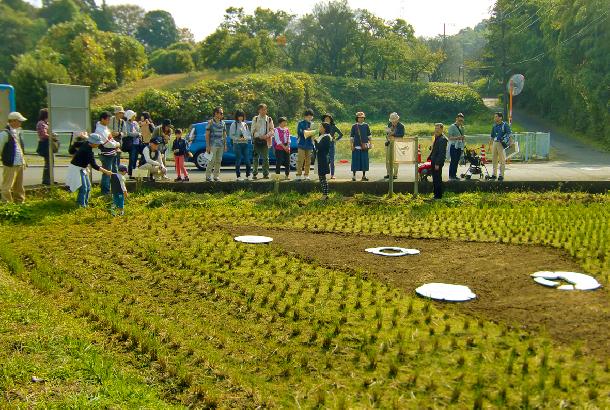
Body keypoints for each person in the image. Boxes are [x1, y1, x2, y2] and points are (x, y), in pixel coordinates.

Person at [66, 133, 112, 208]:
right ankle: (81, 205)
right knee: (83, 188)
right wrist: (107, 172)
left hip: (82, 168)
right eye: (97, 143)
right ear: (93, 143)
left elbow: (75, 144)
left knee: (88, 186)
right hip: (76, 169)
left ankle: (85, 203)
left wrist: (74, 153)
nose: (98, 145)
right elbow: (94, 165)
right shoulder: (88, 151)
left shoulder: (86, 143)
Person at [1, 112, 27, 203]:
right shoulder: (5, 133)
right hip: (10, 163)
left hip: (19, 163)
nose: (20, 123)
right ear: (13, 121)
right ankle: (6, 204)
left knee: (19, 186)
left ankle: (20, 202)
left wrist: (23, 161)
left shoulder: (18, 132)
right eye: (19, 121)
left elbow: (19, 148)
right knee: (7, 186)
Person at [96, 111, 121, 195]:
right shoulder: (99, 130)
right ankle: (105, 191)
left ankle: (114, 188)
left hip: (112, 152)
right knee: (107, 172)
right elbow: (107, 143)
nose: (109, 121)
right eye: (107, 120)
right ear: (102, 119)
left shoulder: (105, 127)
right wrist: (117, 144)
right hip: (106, 154)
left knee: (114, 170)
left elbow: (111, 139)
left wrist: (115, 144)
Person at [251, 104, 273, 180]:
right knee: (255, 157)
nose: (264, 111)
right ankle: (254, 173)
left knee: (266, 158)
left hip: (265, 141)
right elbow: (252, 130)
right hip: (257, 141)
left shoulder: (269, 119)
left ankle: (266, 174)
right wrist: (258, 136)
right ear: (259, 110)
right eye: (262, 109)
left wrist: (266, 136)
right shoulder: (255, 118)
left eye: (265, 109)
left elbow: (272, 130)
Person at [205, 107, 227, 182]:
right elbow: (207, 134)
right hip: (212, 145)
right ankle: (208, 176)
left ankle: (216, 176)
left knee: (218, 161)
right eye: (221, 113)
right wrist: (207, 146)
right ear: (216, 113)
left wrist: (225, 145)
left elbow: (224, 135)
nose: (222, 114)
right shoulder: (210, 122)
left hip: (220, 145)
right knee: (211, 160)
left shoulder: (223, 123)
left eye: (222, 113)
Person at [36, 108, 57, 185]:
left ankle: (49, 179)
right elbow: (43, 135)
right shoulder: (41, 123)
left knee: (50, 162)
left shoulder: (46, 123)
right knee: (49, 162)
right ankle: (46, 179)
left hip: (48, 144)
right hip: (45, 144)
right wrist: (52, 136)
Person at [229, 110, 252, 181]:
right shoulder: (234, 124)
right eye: (239, 116)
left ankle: (248, 175)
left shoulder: (245, 124)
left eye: (242, 116)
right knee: (238, 160)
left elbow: (249, 135)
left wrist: (246, 138)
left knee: (247, 160)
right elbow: (231, 135)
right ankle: (238, 176)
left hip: (245, 144)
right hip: (237, 144)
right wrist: (239, 138)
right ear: (236, 116)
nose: (240, 118)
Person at [489, 112, 511, 181]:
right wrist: (490, 145)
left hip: (501, 143)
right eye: (494, 117)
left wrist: (511, 142)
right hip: (495, 143)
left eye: (496, 116)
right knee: (494, 159)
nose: (495, 118)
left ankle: (501, 175)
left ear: (500, 117)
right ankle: (494, 174)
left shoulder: (505, 125)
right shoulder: (494, 126)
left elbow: (509, 134)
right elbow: (492, 136)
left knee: (502, 159)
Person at [350, 111, 371, 181]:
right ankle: (354, 176)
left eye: (362, 117)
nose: (361, 118)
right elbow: (351, 137)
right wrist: (351, 146)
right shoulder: (354, 126)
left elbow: (369, 136)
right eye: (360, 117)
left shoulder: (366, 125)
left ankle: (364, 176)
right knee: (355, 162)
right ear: (357, 118)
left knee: (364, 161)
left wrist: (370, 144)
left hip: (364, 146)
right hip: (356, 147)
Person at [429, 123, 448, 200]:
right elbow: (435, 149)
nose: (436, 130)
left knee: (437, 178)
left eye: (438, 128)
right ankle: (435, 194)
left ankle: (438, 196)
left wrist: (437, 163)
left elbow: (441, 153)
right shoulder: (437, 137)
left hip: (437, 162)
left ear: (442, 129)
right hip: (434, 160)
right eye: (435, 128)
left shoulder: (442, 139)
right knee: (435, 178)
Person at [313, 122, 332, 199]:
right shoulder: (322, 136)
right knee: (321, 177)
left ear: (324, 128)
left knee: (322, 177)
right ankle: (325, 194)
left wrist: (314, 140)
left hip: (323, 159)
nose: (319, 128)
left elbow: (320, 147)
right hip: (321, 158)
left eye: (321, 126)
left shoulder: (326, 137)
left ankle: (325, 194)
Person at [384, 112, 405, 179]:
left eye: (394, 120)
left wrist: (393, 135)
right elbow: (387, 133)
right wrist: (388, 136)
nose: (393, 122)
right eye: (392, 120)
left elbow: (401, 135)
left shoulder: (401, 126)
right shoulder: (389, 124)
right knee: (388, 159)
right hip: (389, 143)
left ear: (397, 120)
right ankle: (388, 173)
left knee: (395, 159)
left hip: (397, 144)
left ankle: (395, 174)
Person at [321, 114, 343, 179]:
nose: (327, 120)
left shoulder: (333, 126)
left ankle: (332, 175)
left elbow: (341, 134)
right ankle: (323, 175)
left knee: (332, 161)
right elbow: (320, 135)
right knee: (325, 160)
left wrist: (335, 139)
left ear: (331, 120)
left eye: (328, 119)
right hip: (324, 145)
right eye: (325, 119)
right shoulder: (322, 126)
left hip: (331, 145)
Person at [296, 109, 315, 181]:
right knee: (300, 160)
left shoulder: (313, 124)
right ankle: (298, 175)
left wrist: (311, 132)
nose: (310, 118)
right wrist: (308, 131)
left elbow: (315, 133)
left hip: (309, 145)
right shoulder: (300, 123)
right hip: (301, 144)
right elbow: (300, 132)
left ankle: (306, 175)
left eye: (311, 117)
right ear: (305, 116)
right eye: (308, 116)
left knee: (308, 161)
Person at [447, 113, 466, 180]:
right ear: (456, 119)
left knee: (457, 161)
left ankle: (454, 175)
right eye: (459, 120)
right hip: (453, 146)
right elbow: (449, 137)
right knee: (453, 161)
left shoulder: (462, 127)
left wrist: (463, 139)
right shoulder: (452, 126)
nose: (460, 122)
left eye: (461, 121)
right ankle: (451, 175)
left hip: (459, 146)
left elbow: (463, 137)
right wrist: (458, 137)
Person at [123, 110, 141, 179]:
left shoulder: (135, 123)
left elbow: (139, 130)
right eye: (133, 116)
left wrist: (138, 133)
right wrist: (137, 134)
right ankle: (131, 173)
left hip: (137, 142)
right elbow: (128, 133)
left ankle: (134, 173)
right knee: (132, 158)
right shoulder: (126, 123)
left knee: (135, 158)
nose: (134, 117)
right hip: (131, 143)